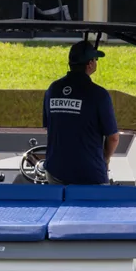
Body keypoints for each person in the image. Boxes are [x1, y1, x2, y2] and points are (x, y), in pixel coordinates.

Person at [42, 40, 119, 185]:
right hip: (91, 174)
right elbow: (113, 138)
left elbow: (50, 127)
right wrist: (106, 159)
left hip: (56, 172)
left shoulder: (53, 89)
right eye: (95, 59)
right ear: (90, 64)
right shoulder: (99, 95)